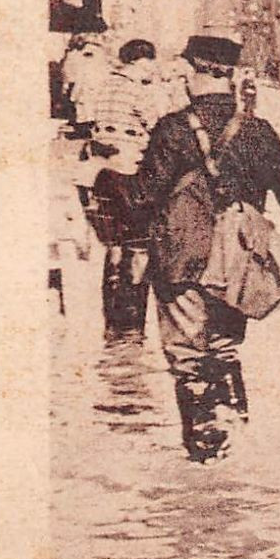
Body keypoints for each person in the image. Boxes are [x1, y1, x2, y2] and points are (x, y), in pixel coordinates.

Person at [126, 34, 280, 462]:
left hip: (184, 262)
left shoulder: (173, 128)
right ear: (229, 77)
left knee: (189, 358)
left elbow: (144, 195)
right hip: (239, 264)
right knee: (224, 350)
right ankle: (238, 444)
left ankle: (207, 462)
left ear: (196, 72)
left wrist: (109, 183)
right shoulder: (257, 130)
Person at [87, 38, 165, 337]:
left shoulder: (105, 85)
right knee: (139, 243)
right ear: (141, 61)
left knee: (114, 244)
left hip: (103, 173)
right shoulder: (137, 89)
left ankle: (112, 317)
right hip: (131, 171)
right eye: (150, 62)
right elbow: (157, 126)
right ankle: (132, 318)